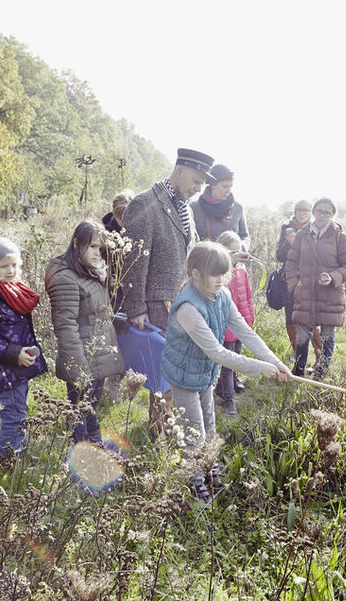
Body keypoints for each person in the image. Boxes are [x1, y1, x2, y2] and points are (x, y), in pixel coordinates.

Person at [161, 242, 292, 503]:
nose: (221, 279)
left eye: (224, 273)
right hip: (184, 374)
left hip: (205, 372)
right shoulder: (188, 308)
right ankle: (195, 480)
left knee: (209, 423)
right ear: (196, 274)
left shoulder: (222, 296)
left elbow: (244, 331)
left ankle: (210, 468)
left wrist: (275, 361)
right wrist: (259, 369)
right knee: (193, 430)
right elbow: (217, 352)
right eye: (214, 274)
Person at [121, 147, 215, 434]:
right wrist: (135, 307)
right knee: (162, 379)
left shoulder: (184, 208)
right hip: (154, 304)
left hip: (178, 303)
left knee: (175, 374)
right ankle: (160, 435)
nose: (199, 188)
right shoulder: (145, 203)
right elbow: (132, 260)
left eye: (203, 184)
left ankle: (167, 432)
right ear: (180, 170)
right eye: (197, 180)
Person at [45, 220, 125, 445]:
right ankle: (78, 448)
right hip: (82, 359)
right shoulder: (66, 278)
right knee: (79, 406)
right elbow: (66, 325)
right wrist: (78, 367)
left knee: (91, 403)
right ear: (76, 243)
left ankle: (93, 434)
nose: (98, 253)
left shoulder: (91, 273)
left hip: (97, 354)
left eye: (101, 249)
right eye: (92, 247)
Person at [0, 237, 48, 458]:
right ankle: (7, 456)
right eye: (3, 266)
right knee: (13, 413)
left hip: (20, 365)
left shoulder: (11, 292)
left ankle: (18, 448)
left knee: (19, 410)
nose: (10, 270)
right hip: (6, 370)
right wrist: (14, 354)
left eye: (14, 265)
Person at [285, 197, 346, 379]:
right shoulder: (302, 234)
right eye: (319, 211)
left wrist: (333, 277)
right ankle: (298, 373)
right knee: (301, 337)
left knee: (326, 337)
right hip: (305, 293)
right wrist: (294, 285)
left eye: (327, 212)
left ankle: (321, 374)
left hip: (329, 295)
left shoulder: (339, 237)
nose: (323, 215)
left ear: (332, 215)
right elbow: (291, 262)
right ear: (314, 211)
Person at [276, 199, 323, 365]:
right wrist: (289, 244)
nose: (302, 213)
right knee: (290, 319)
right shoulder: (286, 228)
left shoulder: (316, 229)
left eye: (305, 210)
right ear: (295, 211)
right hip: (289, 281)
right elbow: (279, 256)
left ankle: (320, 357)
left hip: (308, 281)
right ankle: (297, 355)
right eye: (299, 210)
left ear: (310, 212)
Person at [213, 230, 253, 416]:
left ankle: (229, 385)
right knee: (228, 363)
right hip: (226, 326)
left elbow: (248, 297)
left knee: (237, 355)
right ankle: (228, 399)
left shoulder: (242, 272)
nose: (237, 256)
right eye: (232, 252)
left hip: (241, 324)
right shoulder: (219, 276)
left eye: (238, 251)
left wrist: (249, 318)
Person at [190, 164, 250, 250]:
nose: (229, 191)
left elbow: (244, 236)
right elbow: (191, 241)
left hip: (235, 263)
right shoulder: (194, 208)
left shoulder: (238, 208)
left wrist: (242, 248)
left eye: (231, 186)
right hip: (206, 261)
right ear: (212, 184)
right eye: (225, 186)